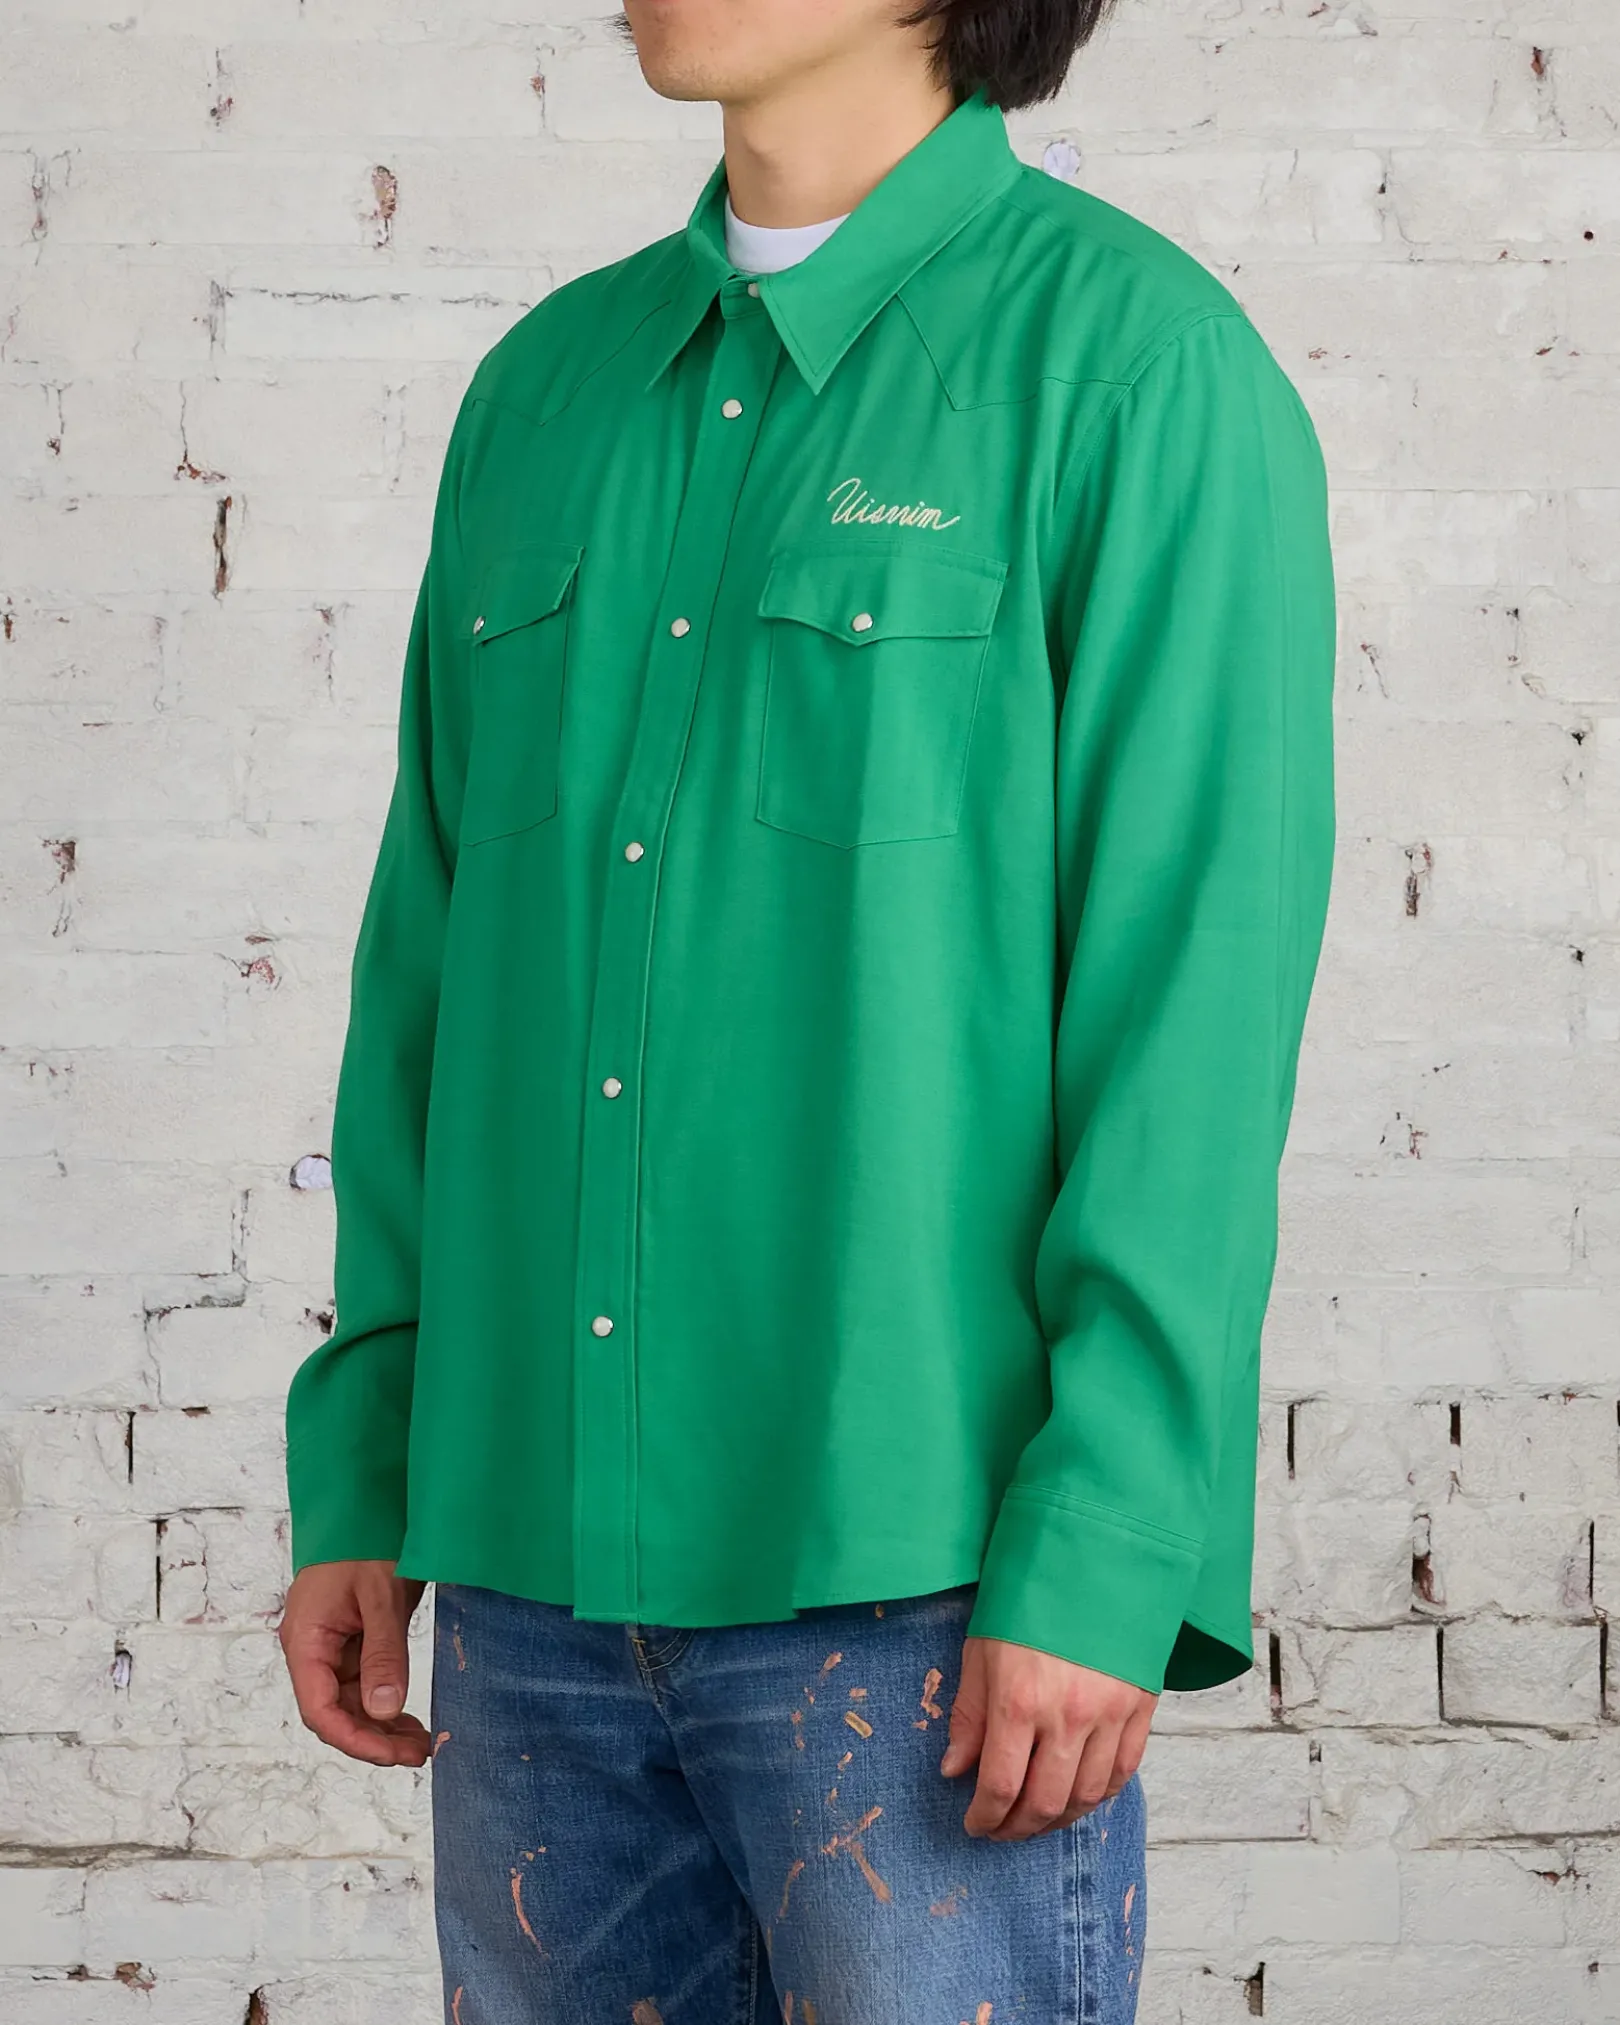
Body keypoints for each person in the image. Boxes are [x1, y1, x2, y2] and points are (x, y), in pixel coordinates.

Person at [276, 1, 1337, 2018]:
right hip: (526, 1573)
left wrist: (1111, 1544)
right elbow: (427, 970)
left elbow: (1189, 1020)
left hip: (923, 1592)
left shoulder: (1137, 372)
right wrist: (374, 1460)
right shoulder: (546, 390)